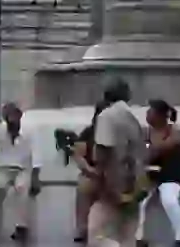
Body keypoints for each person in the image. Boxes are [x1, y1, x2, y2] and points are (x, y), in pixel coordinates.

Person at [89, 78, 148, 247]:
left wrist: (106, 186)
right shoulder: (132, 118)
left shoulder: (106, 117)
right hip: (134, 184)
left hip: (114, 185)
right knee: (127, 235)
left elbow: (103, 154)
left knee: (97, 234)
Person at [0, 102, 42, 243]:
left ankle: (21, 227)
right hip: (4, 168)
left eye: (13, 115)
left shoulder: (30, 131)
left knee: (21, 188)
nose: (10, 120)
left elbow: (37, 155)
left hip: (23, 169)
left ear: (20, 115)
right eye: (7, 116)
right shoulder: (0, 130)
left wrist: (35, 178)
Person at [135, 99, 180, 247]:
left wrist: (155, 149)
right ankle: (138, 238)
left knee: (169, 200)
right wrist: (160, 148)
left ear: (160, 116)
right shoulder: (145, 132)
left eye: (150, 111)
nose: (147, 114)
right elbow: (143, 153)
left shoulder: (174, 131)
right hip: (149, 174)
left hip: (170, 174)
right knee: (139, 201)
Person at [72, 102, 107, 244]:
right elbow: (79, 155)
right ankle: (82, 228)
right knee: (84, 186)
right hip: (91, 172)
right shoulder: (88, 133)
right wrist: (90, 170)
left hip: (111, 173)